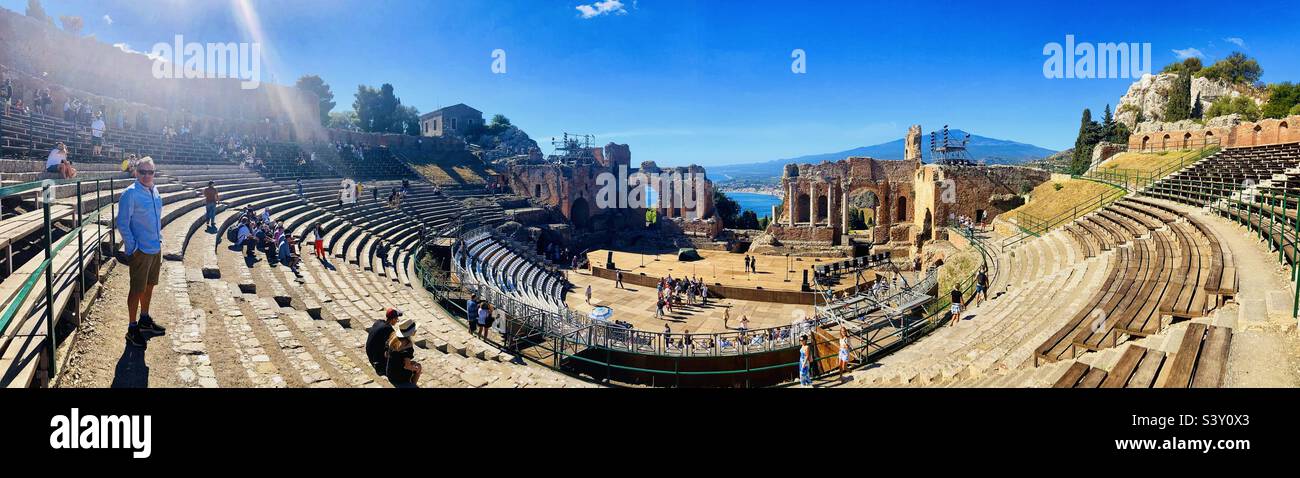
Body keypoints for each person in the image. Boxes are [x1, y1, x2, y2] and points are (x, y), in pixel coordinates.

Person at [117, 157, 166, 348]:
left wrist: (159, 238)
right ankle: (132, 327)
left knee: (150, 285)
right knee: (137, 289)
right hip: (141, 250)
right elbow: (122, 223)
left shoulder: (155, 190)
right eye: (142, 172)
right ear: (136, 172)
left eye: (150, 172)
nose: (146, 175)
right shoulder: (130, 194)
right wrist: (133, 248)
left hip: (155, 246)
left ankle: (144, 319)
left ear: (154, 173)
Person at [385, 319, 422, 388]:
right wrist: (416, 369)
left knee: (415, 364)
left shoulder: (394, 337)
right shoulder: (407, 345)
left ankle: (411, 385)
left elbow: (386, 354)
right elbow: (406, 366)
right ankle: (411, 386)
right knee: (418, 366)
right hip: (398, 378)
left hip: (390, 372)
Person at [366, 308, 402, 376]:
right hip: (376, 360)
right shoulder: (388, 329)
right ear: (393, 319)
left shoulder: (378, 322)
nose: (397, 321)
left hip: (369, 352)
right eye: (397, 319)